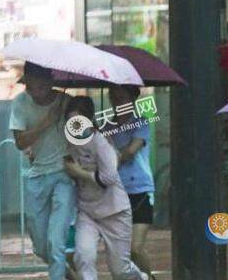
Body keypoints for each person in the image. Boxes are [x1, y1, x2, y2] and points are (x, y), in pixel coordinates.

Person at [64, 96, 147, 280]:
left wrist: (80, 172)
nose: (74, 127)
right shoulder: (68, 142)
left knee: (120, 270)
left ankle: (141, 277)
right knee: (84, 257)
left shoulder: (101, 141)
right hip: (88, 212)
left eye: (78, 122)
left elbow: (109, 177)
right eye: (70, 122)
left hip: (115, 212)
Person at [9, 62, 75, 280]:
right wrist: (47, 122)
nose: (36, 92)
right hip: (37, 176)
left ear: (51, 82)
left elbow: (82, 133)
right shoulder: (20, 102)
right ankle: (70, 274)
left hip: (64, 176)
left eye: (41, 86)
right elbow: (20, 142)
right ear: (25, 82)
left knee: (56, 241)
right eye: (31, 86)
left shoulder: (66, 102)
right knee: (41, 245)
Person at [106, 85, 155, 278]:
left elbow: (131, 151)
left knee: (136, 247)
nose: (118, 102)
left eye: (122, 98)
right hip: (116, 192)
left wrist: (110, 160)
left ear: (133, 99)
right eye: (114, 98)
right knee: (121, 251)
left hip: (141, 190)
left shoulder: (141, 123)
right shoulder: (107, 127)